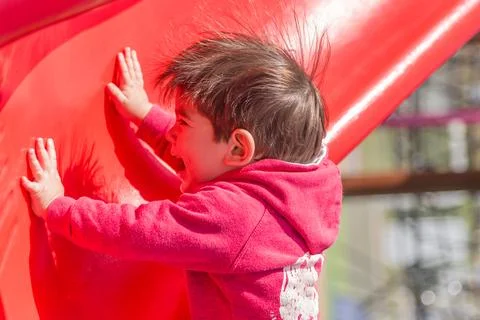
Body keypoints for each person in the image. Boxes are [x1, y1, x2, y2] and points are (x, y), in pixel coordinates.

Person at [21, 33, 342, 319]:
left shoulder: (236, 219)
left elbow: (140, 231)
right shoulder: (302, 187)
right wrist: (146, 116)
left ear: (239, 148)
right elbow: (207, 161)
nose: (174, 133)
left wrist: (56, 208)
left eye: (183, 122)